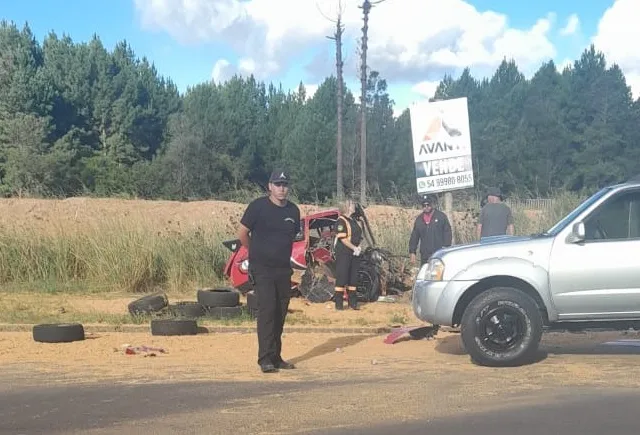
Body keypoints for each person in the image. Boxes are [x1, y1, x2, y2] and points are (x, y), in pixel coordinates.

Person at [237, 169, 301, 374]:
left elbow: (292, 238)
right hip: (262, 269)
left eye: (285, 185)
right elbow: (242, 233)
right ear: (270, 187)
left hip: (283, 270)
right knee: (267, 312)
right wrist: (253, 252)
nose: (282, 189)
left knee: (280, 312)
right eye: (278, 185)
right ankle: (264, 358)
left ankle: (276, 356)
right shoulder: (257, 207)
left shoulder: (293, 211)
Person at [333, 198, 363, 310]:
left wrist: (358, 247)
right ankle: (339, 304)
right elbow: (343, 239)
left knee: (353, 278)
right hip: (344, 253)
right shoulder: (341, 221)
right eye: (352, 204)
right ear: (346, 207)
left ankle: (353, 303)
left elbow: (358, 235)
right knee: (342, 277)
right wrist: (354, 247)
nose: (354, 206)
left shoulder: (353, 220)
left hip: (354, 253)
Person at [409, 194, 452, 266]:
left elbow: (447, 232)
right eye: (424, 205)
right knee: (425, 274)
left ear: (432, 204)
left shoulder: (441, 216)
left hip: (439, 253)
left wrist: (446, 247)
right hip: (425, 256)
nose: (426, 207)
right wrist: (412, 252)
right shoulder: (419, 220)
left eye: (428, 204)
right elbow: (414, 237)